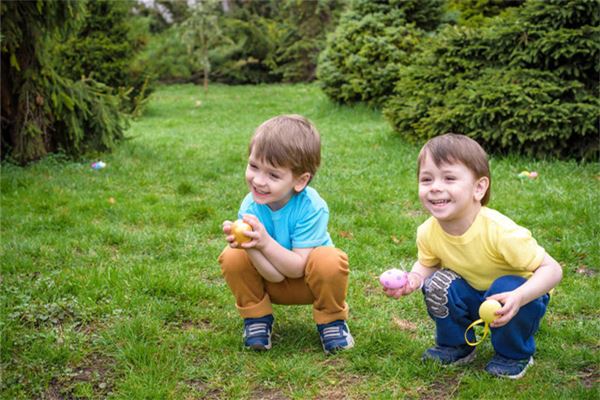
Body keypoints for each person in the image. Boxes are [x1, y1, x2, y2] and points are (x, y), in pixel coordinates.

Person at [384, 133, 562, 379]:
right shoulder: (428, 231)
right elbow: (427, 265)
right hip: (475, 293)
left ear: (479, 188)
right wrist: (414, 278)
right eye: (426, 179)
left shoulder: (500, 231)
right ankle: (456, 345)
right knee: (438, 282)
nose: (435, 187)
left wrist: (520, 296)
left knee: (505, 285)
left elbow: (553, 269)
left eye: (449, 178)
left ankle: (513, 353)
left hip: (518, 296)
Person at [218, 114, 354, 355]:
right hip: (271, 280)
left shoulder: (311, 207)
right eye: (253, 166)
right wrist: (250, 246)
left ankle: (331, 320)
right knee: (232, 255)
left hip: (310, 282)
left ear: (300, 181)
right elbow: (275, 276)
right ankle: (256, 318)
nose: (258, 181)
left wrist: (264, 241)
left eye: (273, 175)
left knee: (329, 259)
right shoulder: (250, 207)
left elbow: (296, 269)